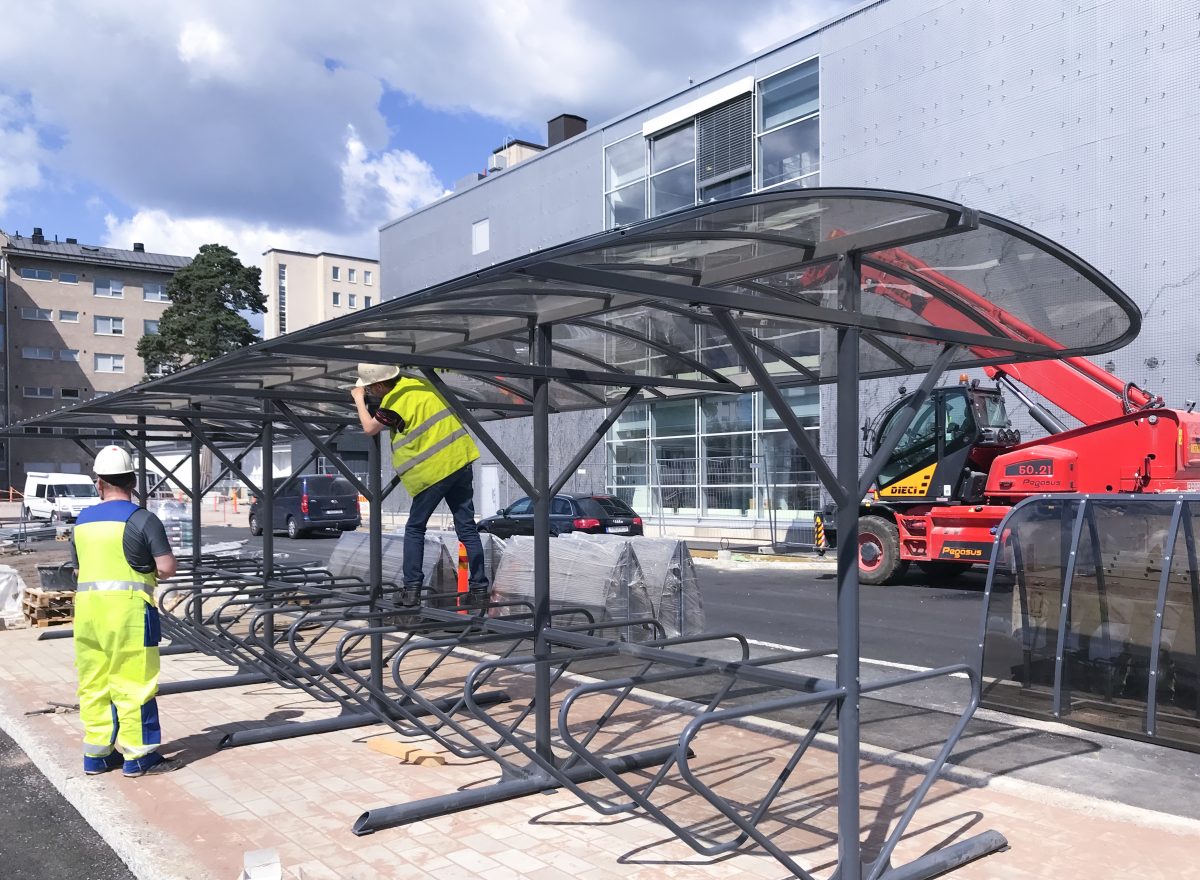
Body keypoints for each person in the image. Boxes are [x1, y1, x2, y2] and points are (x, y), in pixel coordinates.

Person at [72, 445, 179, 777]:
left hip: (88, 615)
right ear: (133, 481)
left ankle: (98, 754)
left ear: (99, 483)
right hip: (130, 614)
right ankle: (139, 756)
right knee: (134, 683)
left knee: (94, 683)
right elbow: (166, 567)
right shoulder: (142, 519)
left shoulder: (82, 521)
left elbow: (79, 569)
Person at [349, 364, 490, 606]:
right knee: (466, 528)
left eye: (371, 389)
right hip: (460, 460)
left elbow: (370, 428)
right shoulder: (421, 384)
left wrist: (359, 399)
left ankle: (411, 589)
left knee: (415, 528)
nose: (372, 393)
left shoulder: (394, 401)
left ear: (380, 385)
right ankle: (479, 590)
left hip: (434, 470)